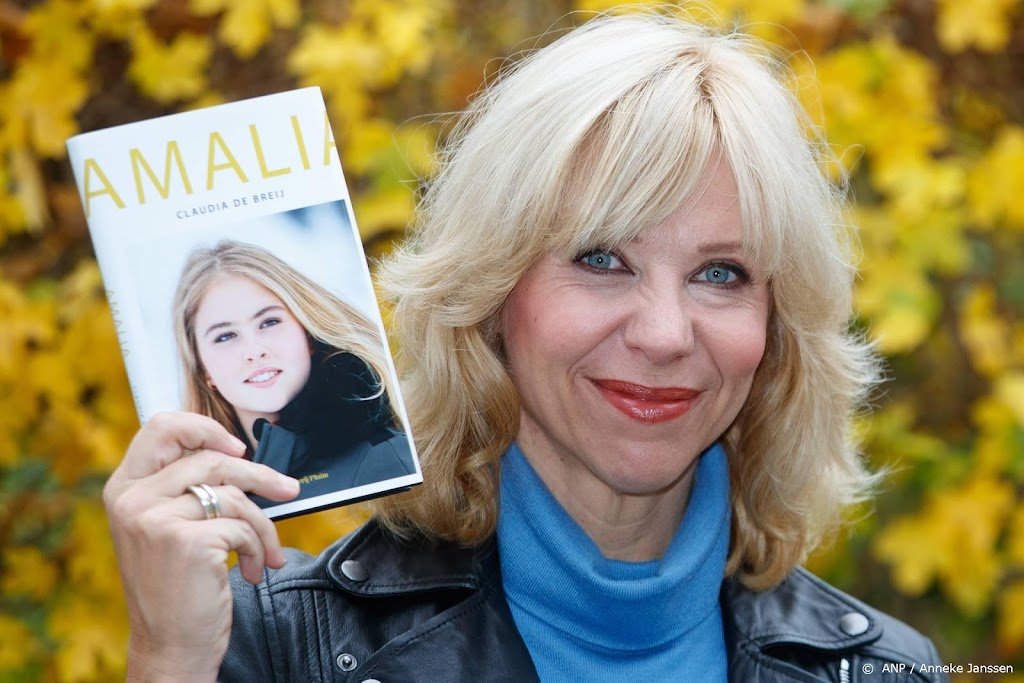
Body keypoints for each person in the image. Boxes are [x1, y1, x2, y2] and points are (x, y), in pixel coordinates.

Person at [103, 12, 947, 682]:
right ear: (491, 294)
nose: (663, 334)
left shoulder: (886, 670)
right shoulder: (274, 648)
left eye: (720, 273)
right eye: (601, 258)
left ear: (775, 327)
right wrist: (171, 659)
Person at [171, 240, 415, 503]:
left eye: (269, 322)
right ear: (203, 368)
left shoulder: (388, 458)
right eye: (225, 336)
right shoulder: (198, 494)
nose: (254, 351)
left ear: (307, 335)